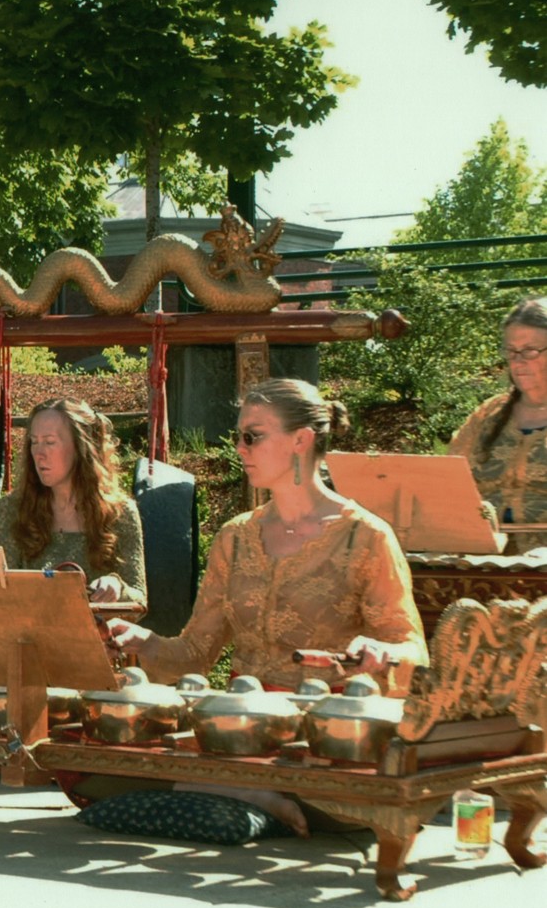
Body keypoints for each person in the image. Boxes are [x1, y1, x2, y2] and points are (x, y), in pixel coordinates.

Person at [103, 379, 428, 833]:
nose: (239, 447)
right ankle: (246, 793)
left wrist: (381, 653)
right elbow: (196, 651)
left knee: (130, 788)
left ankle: (243, 794)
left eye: (252, 436)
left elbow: (413, 652)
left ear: (302, 440)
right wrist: (145, 641)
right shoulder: (235, 537)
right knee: (97, 761)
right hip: (242, 731)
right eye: (238, 435)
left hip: (327, 742)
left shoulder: (366, 537)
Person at [0, 397, 146, 605]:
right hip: (30, 634)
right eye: (34, 442)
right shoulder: (13, 508)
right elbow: (0, 594)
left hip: (98, 634)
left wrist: (117, 587)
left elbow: (139, 599)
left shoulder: (120, 513)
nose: (39, 454)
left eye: (50, 442)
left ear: (81, 447)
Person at [449, 297, 547, 550]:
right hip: (482, 562)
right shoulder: (488, 414)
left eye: (529, 350)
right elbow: (448, 482)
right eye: (511, 350)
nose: (517, 361)